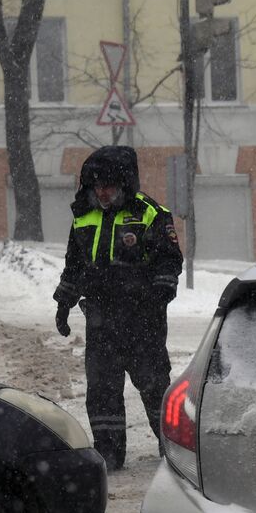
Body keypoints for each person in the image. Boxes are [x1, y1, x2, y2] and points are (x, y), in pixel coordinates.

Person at [54, 146, 183, 471]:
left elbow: (169, 260)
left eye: (109, 186)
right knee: (102, 389)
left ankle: (174, 448)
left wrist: (158, 296)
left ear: (124, 184)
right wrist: (64, 302)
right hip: (101, 321)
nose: (102, 193)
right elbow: (74, 265)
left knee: (154, 387)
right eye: (97, 186)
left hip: (143, 321)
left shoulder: (149, 213)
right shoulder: (83, 216)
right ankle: (109, 452)